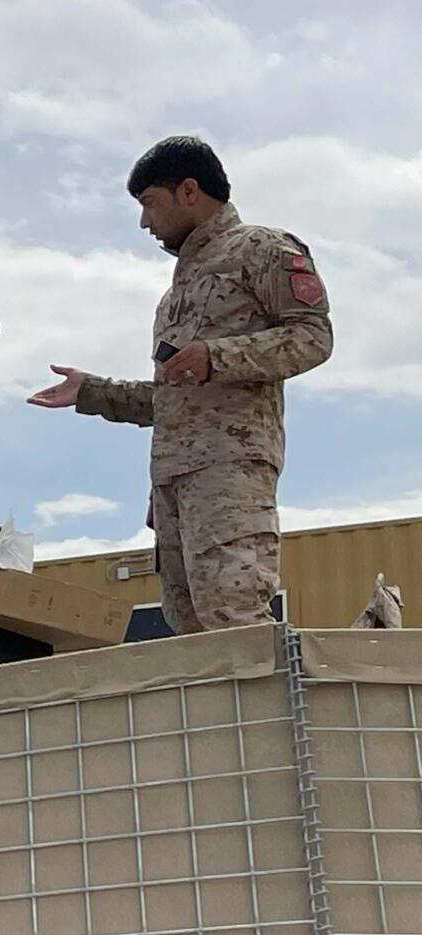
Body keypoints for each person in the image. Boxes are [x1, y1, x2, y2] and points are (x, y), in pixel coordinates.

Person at [28, 136, 332, 635]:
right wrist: (91, 391)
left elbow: (313, 336)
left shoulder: (262, 249)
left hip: (229, 475)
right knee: (189, 628)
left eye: (149, 203)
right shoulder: (177, 292)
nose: (144, 222)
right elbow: (175, 396)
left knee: (233, 619)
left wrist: (216, 356)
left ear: (189, 191)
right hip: (174, 483)